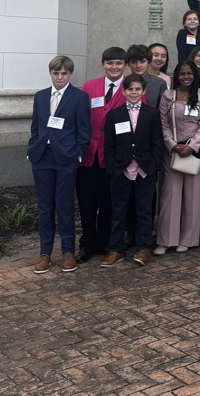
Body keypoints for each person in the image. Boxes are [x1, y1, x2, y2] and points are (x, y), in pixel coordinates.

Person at [28, 55, 91, 274]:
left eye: (64, 73)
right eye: (56, 73)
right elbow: (35, 126)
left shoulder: (79, 97)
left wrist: (79, 154)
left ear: (70, 74)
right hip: (42, 158)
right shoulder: (41, 96)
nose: (60, 77)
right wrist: (32, 149)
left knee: (64, 206)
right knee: (45, 207)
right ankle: (45, 253)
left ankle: (67, 252)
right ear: (51, 74)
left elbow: (84, 129)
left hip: (66, 159)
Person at [102, 74, 163, 268]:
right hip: (121, 170)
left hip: (145, 169)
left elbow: (157, 143)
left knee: (144, 211)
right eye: (130, 89)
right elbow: (109, 145)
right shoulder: (114, 115)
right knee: (118, 211)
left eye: (138, 89)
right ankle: (116, 249)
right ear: (124, 91)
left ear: (143, 91)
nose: (134, 93)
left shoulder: (152, 114)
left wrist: (153, 165)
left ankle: (143, 247)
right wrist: (113, 166)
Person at [155, 60, 200, 255]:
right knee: (170, 194)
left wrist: (192, 146)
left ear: (195, 75)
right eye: (182, 74)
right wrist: (171, 144)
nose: (186, 77)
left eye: (189, 74)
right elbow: (162, 123)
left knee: (193, 196)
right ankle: (166, 240)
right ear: (176, 76)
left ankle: (188, 239)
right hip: (172, 151)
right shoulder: (168, 96)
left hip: (194, 153)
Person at [77, 47, 127, 264]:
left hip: (115, 156)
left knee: (109, 202)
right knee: (87, 202)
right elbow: (79, 117)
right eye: (109, 63)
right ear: (103, 64)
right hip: (89, 154)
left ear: (124, 64)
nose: (114, 67)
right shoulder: (89, 87)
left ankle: (104, 241)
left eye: (118, 63)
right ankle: (87, 243)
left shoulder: (132, 87)